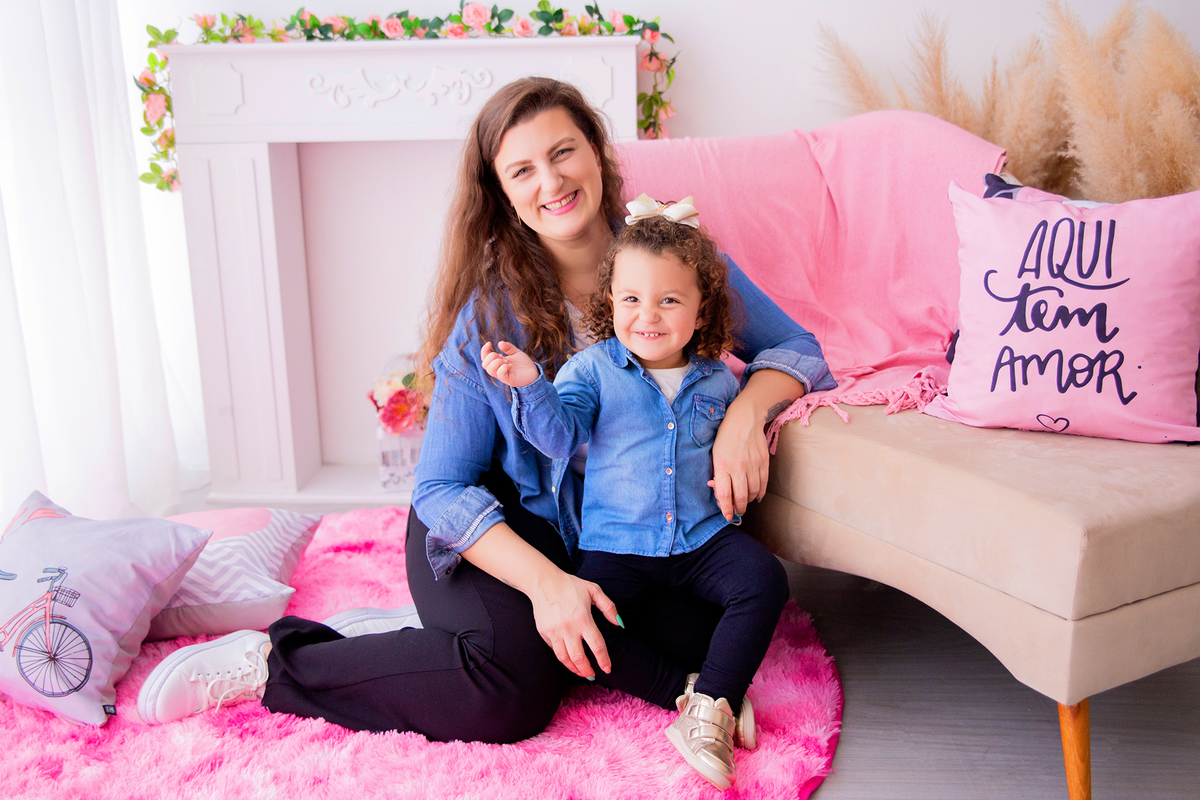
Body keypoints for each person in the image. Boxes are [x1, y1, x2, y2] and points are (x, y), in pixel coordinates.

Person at [137, 78, 836, 752]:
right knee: (510, 691)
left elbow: (798, 349)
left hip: (616, 534)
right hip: (497, 521)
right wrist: (548, 587)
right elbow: (442, 488)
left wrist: (746, 413)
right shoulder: (491, 320)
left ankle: (426, 638)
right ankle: (279, 663)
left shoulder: (673, 260)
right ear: (502, 193)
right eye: (522, 170)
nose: (551, 182)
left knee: (700, 635)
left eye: (563, 152)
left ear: (597, 153)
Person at [481, 199, 789, 789]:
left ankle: (714, 703)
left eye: (669, 300)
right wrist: (532, 386)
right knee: (584, 634)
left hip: (701, 539)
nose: (647, 315)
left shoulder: (718, 378)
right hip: (617, 545)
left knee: (765, 580)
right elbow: (560, 436)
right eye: (630, 299)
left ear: (701, 309)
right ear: (610, 302)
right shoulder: (591, 370)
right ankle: (693, 697)